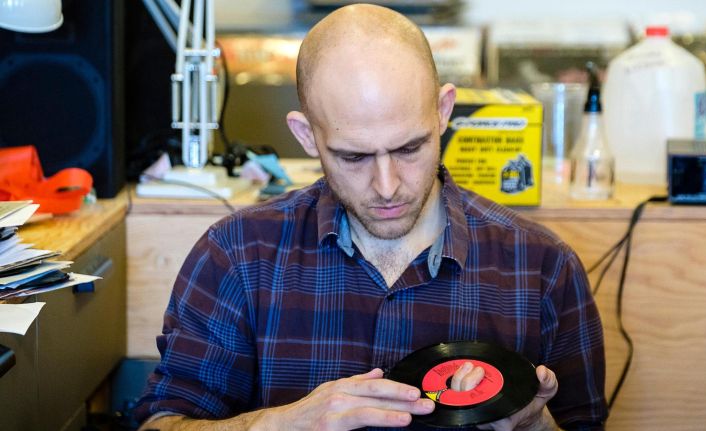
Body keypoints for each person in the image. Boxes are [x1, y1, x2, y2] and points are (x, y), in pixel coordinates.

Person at [135, 4, 607, 430]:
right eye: (354, 157)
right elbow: (162, 423)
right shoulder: (237, 255)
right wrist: (284, 424)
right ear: (306, 136)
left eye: (409, 148)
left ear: (443, 112)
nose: (386, 186)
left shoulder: (542, 267)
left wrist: (536, 427)